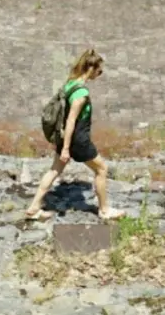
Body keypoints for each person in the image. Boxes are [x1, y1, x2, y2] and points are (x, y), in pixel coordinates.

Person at [25, 49, 123, 221]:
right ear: (91, 68)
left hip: (64, 137)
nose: (100, 74)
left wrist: (64, 145)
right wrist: (66, 149)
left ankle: (34, 207)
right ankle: (104, 210)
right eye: (99, 70)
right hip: (78, 140)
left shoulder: (70, 84)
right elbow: (71, 121)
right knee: (101, 169)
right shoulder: (81, 94)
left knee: (54, 170)